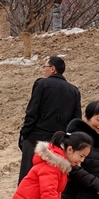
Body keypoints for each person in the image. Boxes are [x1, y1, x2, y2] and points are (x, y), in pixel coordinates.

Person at [18, 55, 81, 184]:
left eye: (45, 67)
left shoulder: (42, 84)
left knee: (29, 178)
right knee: (51, 180)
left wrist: (25, 133)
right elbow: (76, 121)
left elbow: (32, 111)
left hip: (35, 139)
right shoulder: (74, 91)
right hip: (59, 142)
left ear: (53, 69)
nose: (44, 70)